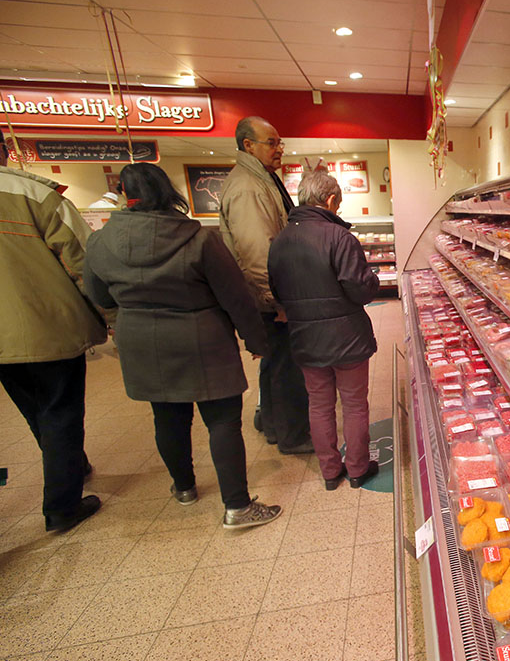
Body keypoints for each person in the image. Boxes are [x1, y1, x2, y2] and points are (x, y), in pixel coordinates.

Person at [83, 163, 281, 529]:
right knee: (222, 421)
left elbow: (97, 294)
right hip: (202, 337)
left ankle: (185, 487)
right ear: (167, 191)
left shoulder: (101, 241)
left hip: (142, 341)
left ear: (125, 195)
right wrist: (255, 339)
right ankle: (237, 506)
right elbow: (235, 296)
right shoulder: (199, 239)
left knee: (167, 417)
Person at [0, 126, 105, 531]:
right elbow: (82, 262)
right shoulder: (35, 195)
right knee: (60, 410)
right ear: (7, 150)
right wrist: (107, 316)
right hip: (49, 327)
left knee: (32, 408)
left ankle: (70, 464)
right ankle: (62, 504)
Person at [268, 171, 380, 490]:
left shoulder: (279, 241)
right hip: (348, 338)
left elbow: (276, 291)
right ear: (331, 201)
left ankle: (330, 471)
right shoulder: (340, 238)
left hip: (305, 338)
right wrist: (370, 280)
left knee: (319, 405)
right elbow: (360, 289)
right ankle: (357, 469)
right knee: (355, 404)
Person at [219, 116, 313, 455]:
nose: (279, 149)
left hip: (268, 296)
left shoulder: (260, 179)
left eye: (279, 142)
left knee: (274, 364)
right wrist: (278, 301)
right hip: (270, 299)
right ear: (249, 145)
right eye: (272, 142)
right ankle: (293, 435)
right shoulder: (248, 187)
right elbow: (258, 252)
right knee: (288, 368)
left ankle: (273, 425)